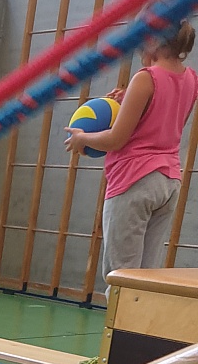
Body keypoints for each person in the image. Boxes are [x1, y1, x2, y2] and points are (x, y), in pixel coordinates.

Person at [64, 22, 198, 290]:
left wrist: (82, 138)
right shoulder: (191, 79)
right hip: (169, 181)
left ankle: (118, 320)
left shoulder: (145, 78)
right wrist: (131, 98)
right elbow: (164, 120)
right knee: (146, 278)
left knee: (121, 276)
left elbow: (115, 139)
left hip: (134, 180)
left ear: (152, 42)